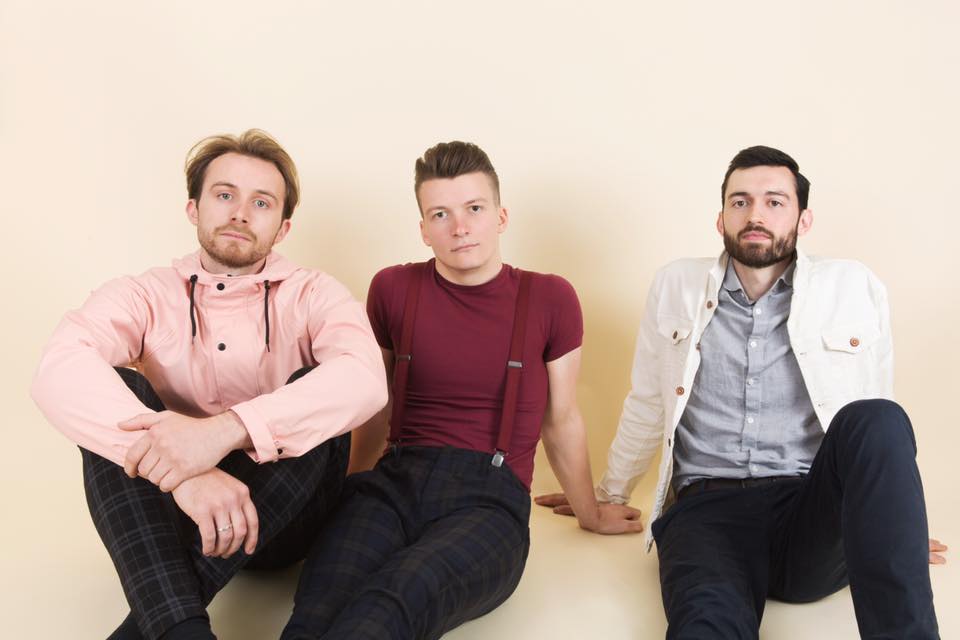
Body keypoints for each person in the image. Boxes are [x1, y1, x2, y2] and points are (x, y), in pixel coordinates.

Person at [537, 145, 947, 638]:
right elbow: (647, 400)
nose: (756, 215)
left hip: (809, 514)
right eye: (740, 202)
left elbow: (876, 419)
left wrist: (892, 527)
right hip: (706, 513)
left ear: (803, 219)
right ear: (721, 219)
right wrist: (606, 494)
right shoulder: (676, 285)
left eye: (774, 202)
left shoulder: (853, 286)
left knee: (878, 415)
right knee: (706, 626)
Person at [31, 129, 387, 640]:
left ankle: (165, 618)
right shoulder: (146, 293)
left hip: (287, 521)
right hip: (179, 511)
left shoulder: (314, 292)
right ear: (193, 208)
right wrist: (186, 475)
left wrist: (222, 432)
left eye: (261, 203)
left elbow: (365, 377)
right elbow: (60, 366)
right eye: (224, 195)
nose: (240, 213)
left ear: (283, 228)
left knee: (317, 390)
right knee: (116, 393)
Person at [281, 141, 643, 640]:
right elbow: (374, 406)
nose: (460, 227)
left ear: (501, 216)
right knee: (319, 603)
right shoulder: (392, 289)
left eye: (474, 208)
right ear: (423, 229)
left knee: (394, 600)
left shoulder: (549, 298)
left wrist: (590, 513)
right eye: (440, 214)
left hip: (489, 503)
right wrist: (349, 493)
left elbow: (560, 419)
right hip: (393, 483)